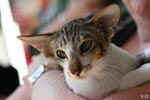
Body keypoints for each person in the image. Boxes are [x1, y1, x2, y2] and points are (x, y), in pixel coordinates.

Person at [7, 0, 150, 100]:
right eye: (61, 54)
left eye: (85, 47)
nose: (74, 70)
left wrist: (42, 78)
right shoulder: (107, 25)